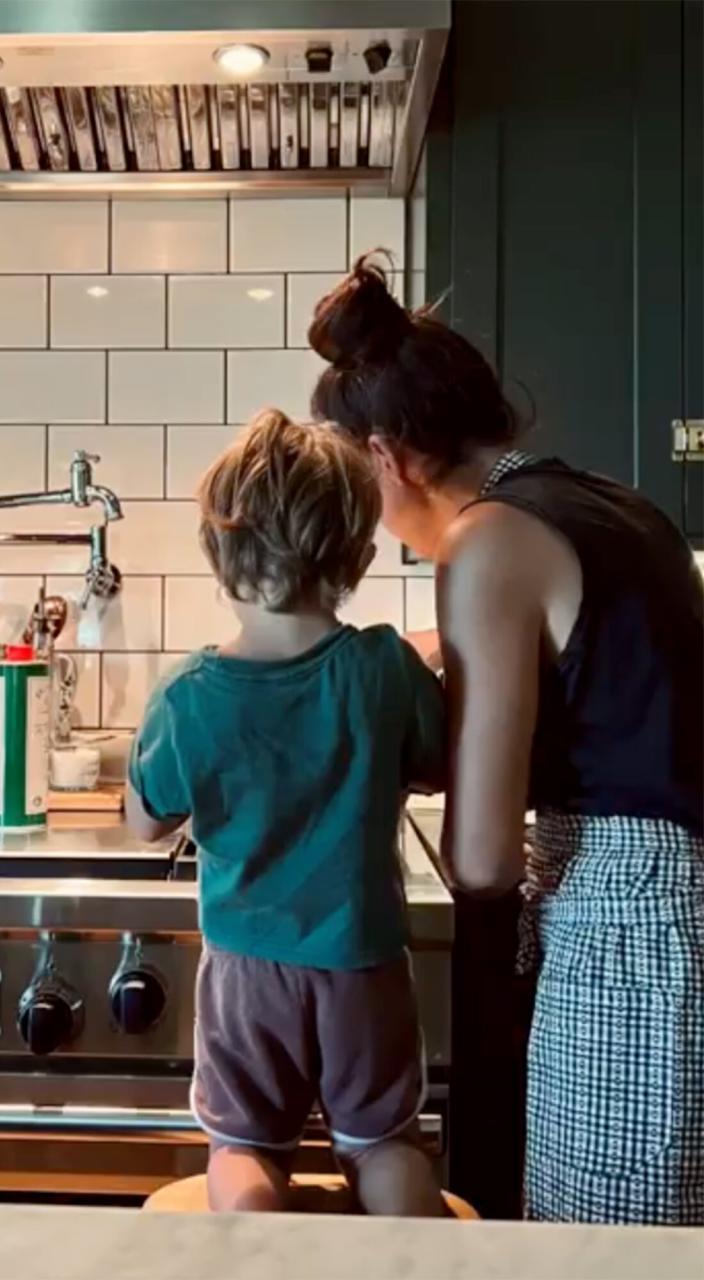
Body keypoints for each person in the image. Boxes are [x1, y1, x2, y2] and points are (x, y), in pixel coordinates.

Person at [307, 252, 704, 1225]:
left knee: (600, 1249)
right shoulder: (614, 504)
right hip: (676, 920)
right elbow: (611, 681)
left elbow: (481, 858)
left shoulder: (485, 540)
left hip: (631, 939)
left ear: (388, 454)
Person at [125, 409, 446, 1215]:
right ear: (360, 558)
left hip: (245, 970)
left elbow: (145, 820)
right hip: (362, 963)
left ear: (217, 554)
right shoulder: (382, 668)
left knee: (244, 1148)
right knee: (384, 1145)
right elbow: (437, 767)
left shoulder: (188, 695)